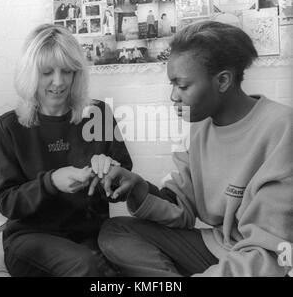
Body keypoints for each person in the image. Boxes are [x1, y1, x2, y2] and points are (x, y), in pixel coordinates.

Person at [97, 21, 293, 277]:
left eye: (183, 85)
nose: (173, 97)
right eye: (172, 85)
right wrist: (137, 186)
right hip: (221, 245)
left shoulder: (282, 129)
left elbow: (272, 252)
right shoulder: (200, 127)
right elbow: (182, 208)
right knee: (116, 231)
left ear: (222, 80)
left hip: (266, 257)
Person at [0, 24, 132, 277]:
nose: (58, 82)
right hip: (30, 238)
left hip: (89, 234)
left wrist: (110, 173)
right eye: (47, 72)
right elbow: (7, 202)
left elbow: (123, 188)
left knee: (118, 264)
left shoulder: (98, 114)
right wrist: (50, 182)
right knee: (86, 266)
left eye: (66, 71)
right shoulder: (9, 126)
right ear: (31, 74)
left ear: (76, 74)